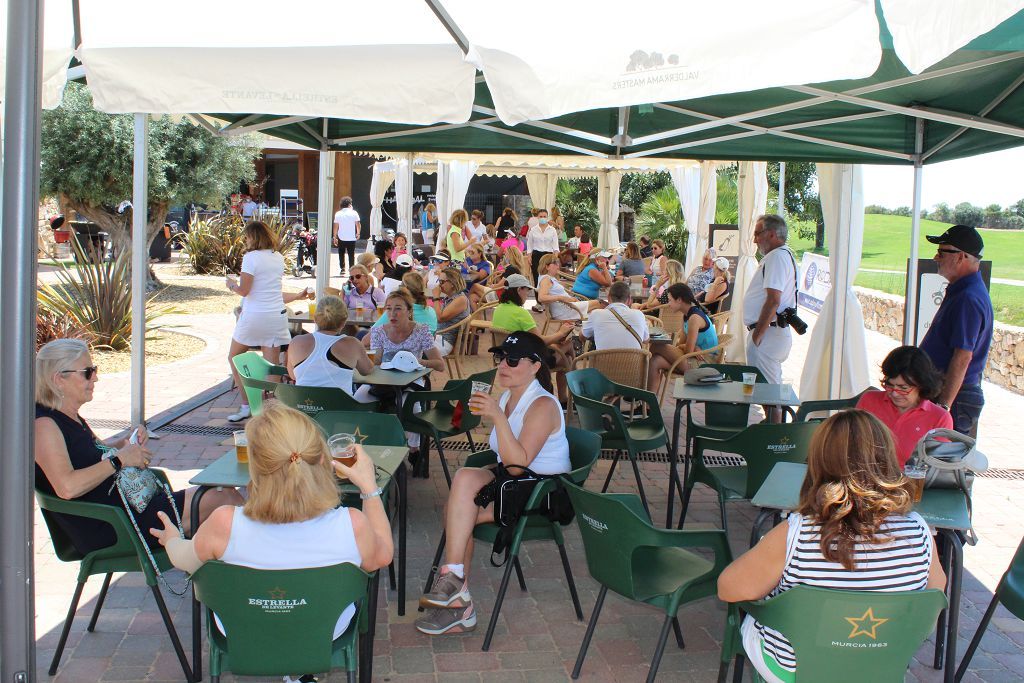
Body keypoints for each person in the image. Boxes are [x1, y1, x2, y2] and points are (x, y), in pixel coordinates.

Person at [150, 403, 393, 670]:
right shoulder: (352, 524)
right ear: (322, 461)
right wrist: (369, 487)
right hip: (326, 632)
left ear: (254, 466)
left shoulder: (224, 523)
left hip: (242, 633)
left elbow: (183, 559)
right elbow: (383, 555)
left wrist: (172, 539)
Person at [717, 410, 945, 683]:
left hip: (796, 671)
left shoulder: (797, 532)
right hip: (879, 667)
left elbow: (728, 588)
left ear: (819, 461)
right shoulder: (919, 531)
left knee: (752, 619)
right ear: (886, 458)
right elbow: (933, 599)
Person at [415, 332, 570, 635]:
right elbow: (504, 461)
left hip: (543, 492)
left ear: (535, 365)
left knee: (458, 512)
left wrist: (497, 417)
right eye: (501, 358)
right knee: (463, 478)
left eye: (512, 360)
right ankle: (455, 584)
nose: (502, 366)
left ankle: (458, 604)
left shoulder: (542, 406)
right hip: (516, 481)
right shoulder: (507, 397)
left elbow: (516, 466)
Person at [35, 339, 241, 555]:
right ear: (59, 379)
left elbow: (95, 452)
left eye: (94, 370)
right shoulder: (44, 426)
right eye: (87, 372)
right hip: (110, 525)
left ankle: (236, 569)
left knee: (222, 497)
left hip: (128, 509)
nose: (95, 377)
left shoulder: (68, 415)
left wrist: (125, 443)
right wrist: (121, 459)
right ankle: (259, 564)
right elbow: (67, 487)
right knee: (221, 499)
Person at [226, 220, 312, 422]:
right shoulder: (278, 257)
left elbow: (244, 291)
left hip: (254, 316)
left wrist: (231, 285)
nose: (245, 240)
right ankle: (269, 410)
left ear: (253, 237)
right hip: (275, 317)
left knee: (234, 358)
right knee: (270, 366)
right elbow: (272, 292)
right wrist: (298, 296)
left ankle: (247, 405)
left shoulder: (250, 258)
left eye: (246, 236)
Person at [919, 224, 994, 438]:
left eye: (942, 252)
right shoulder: (964, 291)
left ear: (961, 257)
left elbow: (963, 356)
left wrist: (943, 407)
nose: (936, 257)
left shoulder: (968, 297)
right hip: (951, 394)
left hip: (956, 397)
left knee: (940, 462)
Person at [857, 346, 954, 465]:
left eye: (903, 388)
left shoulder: (939, 418)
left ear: (921, 385)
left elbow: (937, 467)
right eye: (889, 385)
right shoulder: (869, 400)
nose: (894, 393)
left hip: (913, 481)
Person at [491, 274, 576, 402]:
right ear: (519, 289)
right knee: (569, 347)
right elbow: (540, 341)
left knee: (566, 360)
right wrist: (561, 333)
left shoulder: (499, 309)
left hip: (509, 355)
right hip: (529, 359)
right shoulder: (521, 313)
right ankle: (576, 391)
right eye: (527, 290)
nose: (528, 293)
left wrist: (557, 337)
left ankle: (566, 398)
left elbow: (534, 339)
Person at [743, 214, 797, 386]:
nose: (754, 240)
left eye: (758, 234)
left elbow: (774, 300)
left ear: (772, 234)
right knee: (768, 392)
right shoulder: (782, 255)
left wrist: (757, 335)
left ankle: (773, 415)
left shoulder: (777, 257)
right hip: (771, 332)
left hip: (768, 334)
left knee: (769, 395)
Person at [287, 295, 374, 393]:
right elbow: (367, 370)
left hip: (303, 406)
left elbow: (293, 375)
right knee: (367, 390)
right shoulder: (352, 344)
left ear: (315, 319)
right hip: (340, 407)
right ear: (344, 322)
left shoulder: (296, 342)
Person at [647, 283, 719, 392]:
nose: (668, 303)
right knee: (655, 361)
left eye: (670, 300)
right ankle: (647, 406)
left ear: (679, 300)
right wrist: (690, 347)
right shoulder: (686, 315)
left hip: (705, 364)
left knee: (657, 346)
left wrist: (691, 347)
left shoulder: (694, 317)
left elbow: (687, 350)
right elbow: (681, 345)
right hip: (692, 358)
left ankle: (637, 386)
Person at [363, 288, 444, 374]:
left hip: (412, 381)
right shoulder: (378, 332)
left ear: (409, 312)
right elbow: (377, 362)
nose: (393, 313)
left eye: (398, 308)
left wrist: (418, 362)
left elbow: (440, 365)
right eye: (389, 309)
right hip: (386, 381)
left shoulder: (421, 331)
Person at [583, 281, 649, 350]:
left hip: (604, 360)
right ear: (629, 299)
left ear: (608, 298)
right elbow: (646, 340)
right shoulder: (639, 314)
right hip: (633, 360)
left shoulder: (596, 314)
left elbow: (583, 336)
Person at [536, 253, 602, 322]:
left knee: (595, 312)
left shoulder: (548, 278)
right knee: (599, 304)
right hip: (565, 311)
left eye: (558, 263)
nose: (558, 266)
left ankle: (589, 330)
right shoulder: (546, 279)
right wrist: (561, 298)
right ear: (547, 266)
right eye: (555, 263)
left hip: (567, 308)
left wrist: (570, 298)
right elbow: (541, 298)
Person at [373, 271, 439, 333]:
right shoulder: (431, 312)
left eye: (401, 285)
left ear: (405, 289)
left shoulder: (395, 312)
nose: (399, 287)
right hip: (427, 345)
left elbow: (373, 333)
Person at [431, 267, 472, 356]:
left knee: (412, 347)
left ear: (452, 283)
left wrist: (436, 297)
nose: (439, 285)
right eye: (439, 281)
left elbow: (440, 318)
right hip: (438, 338)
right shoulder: (450, 297)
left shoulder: (461, 299)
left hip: (444, 342)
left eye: (442, 282)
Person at [526, 209, 559, 285]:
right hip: (536, 255)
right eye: (541, 216)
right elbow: (529, 245)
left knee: (548, 278)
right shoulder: (533, 230)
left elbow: (556, 247)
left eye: (544, 216)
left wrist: (554, 259)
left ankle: (547, 296)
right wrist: (529, 257)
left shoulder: (552, 230)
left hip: (548, 256)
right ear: (537, 217)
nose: (543, 218)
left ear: (547, 217)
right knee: (536, 278)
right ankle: (538, 296)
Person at [333, 197, 361, 276]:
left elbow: (336, 226)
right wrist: (358, 233)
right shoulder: (354, 213)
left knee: (341, 253)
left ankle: (342, 269)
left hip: (341, 236)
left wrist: (334, 237)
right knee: (351, 254)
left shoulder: (338, 213)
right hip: (351, 237)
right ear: (349, 204)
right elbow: (358, 224)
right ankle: (351, 269)